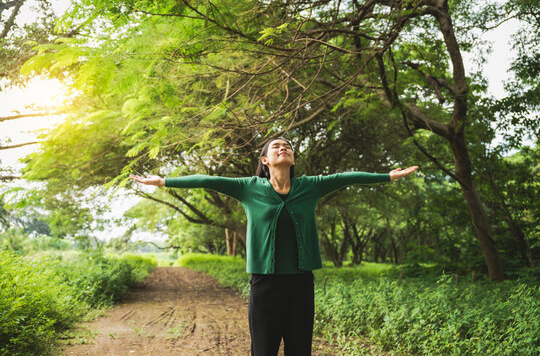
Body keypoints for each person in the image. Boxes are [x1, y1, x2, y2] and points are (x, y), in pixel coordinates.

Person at [129, 137, 418, 356]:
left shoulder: (311, 186)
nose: (284, 148)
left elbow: (346, 178)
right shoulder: (249, 187)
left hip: (301, 283)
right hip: (265, 283)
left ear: (292, 159)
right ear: (265, 160)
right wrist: (164, 181)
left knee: (300, 349)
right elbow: (208, 180)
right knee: (264, 349)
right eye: (276, 146)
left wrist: (387, 176)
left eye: (288, 146)